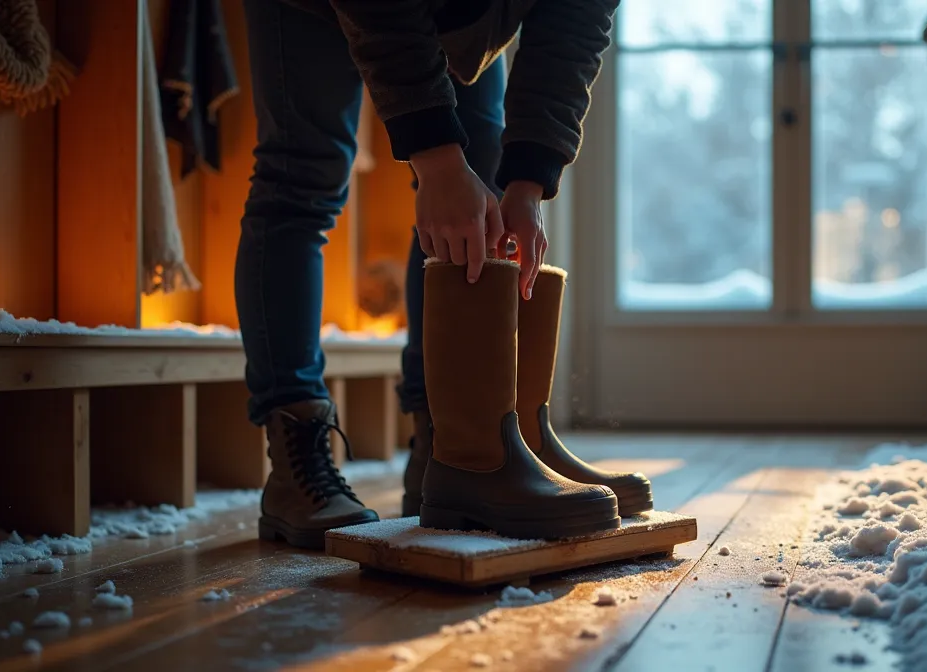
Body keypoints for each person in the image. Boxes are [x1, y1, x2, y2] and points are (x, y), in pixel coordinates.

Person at [237, 0, 652, 548]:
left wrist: (527, 182)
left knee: (479, 190)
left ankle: (455, 450)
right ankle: (297, 458)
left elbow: (571, 30)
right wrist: (436, 161)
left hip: (457, 19)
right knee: (301, 178)